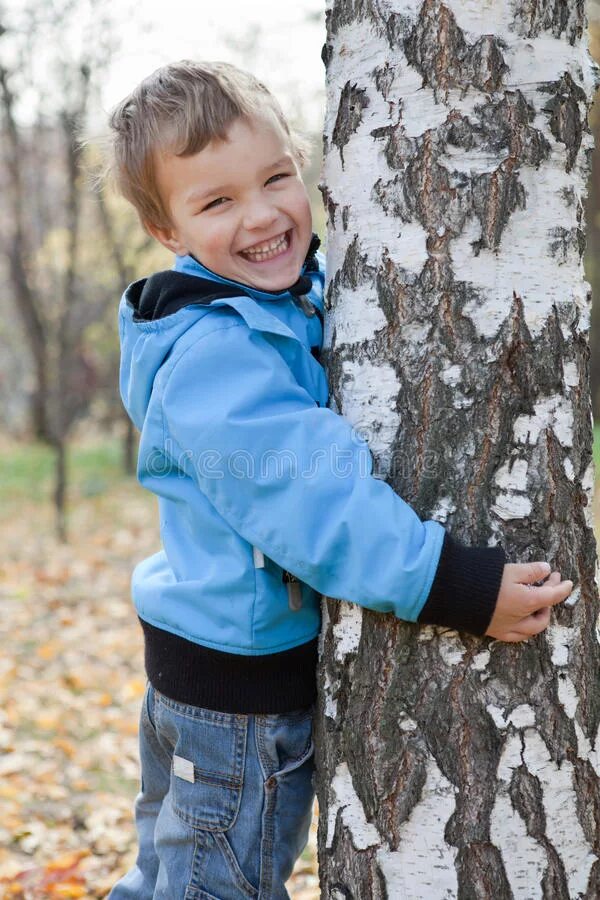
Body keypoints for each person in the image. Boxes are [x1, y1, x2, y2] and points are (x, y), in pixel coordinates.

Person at [105, 60, 573, 899]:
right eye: (216, 202)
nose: (263, 215)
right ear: (164, 228)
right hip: (235, 710)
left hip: (207, 679)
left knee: (172, 879)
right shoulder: (218, 357)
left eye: (277, 177)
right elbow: (316, 503)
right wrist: (455, 586)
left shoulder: (264, 309)